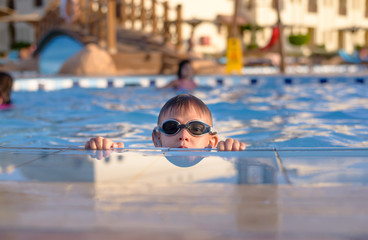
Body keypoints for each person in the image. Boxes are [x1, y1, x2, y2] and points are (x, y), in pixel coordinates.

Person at [85, 94, 246, 151]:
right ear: (157, 139)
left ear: (212, 142)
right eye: (171, 127)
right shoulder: (144, 159)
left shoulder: (220, 160)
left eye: (196, 128)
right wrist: (104, 150)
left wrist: (232, 153)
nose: (183, 136)